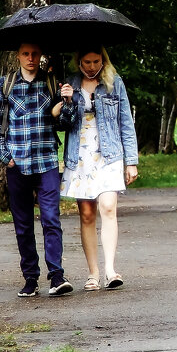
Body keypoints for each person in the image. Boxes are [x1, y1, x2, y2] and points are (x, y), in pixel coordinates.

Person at [0, 41, 74, 298]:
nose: (30, 58)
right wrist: (6, 157)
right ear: (17, 55)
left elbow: (65, 124)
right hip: (18, 164)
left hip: (47, 161)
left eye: (34, 54)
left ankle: (57, 276)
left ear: (41, 56)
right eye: (25, 54)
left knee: (51, 219)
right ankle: (30, 277)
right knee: (23, 224)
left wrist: (67, 104)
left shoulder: (52, 84)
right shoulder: (5, 85)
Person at [59, 47, 138, 291]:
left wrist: (131, 160)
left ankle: (110, 270)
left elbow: (125, 122)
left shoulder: (115, 84)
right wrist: (68, 100)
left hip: (110, 153)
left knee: (108, 207)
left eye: (96, 61)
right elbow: (63, 124)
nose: (92, 66)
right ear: (78, 61)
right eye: (87, 61)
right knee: (87, 214)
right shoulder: (69, 83)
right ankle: (93, 273)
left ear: (103, 61)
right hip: (80, 155)